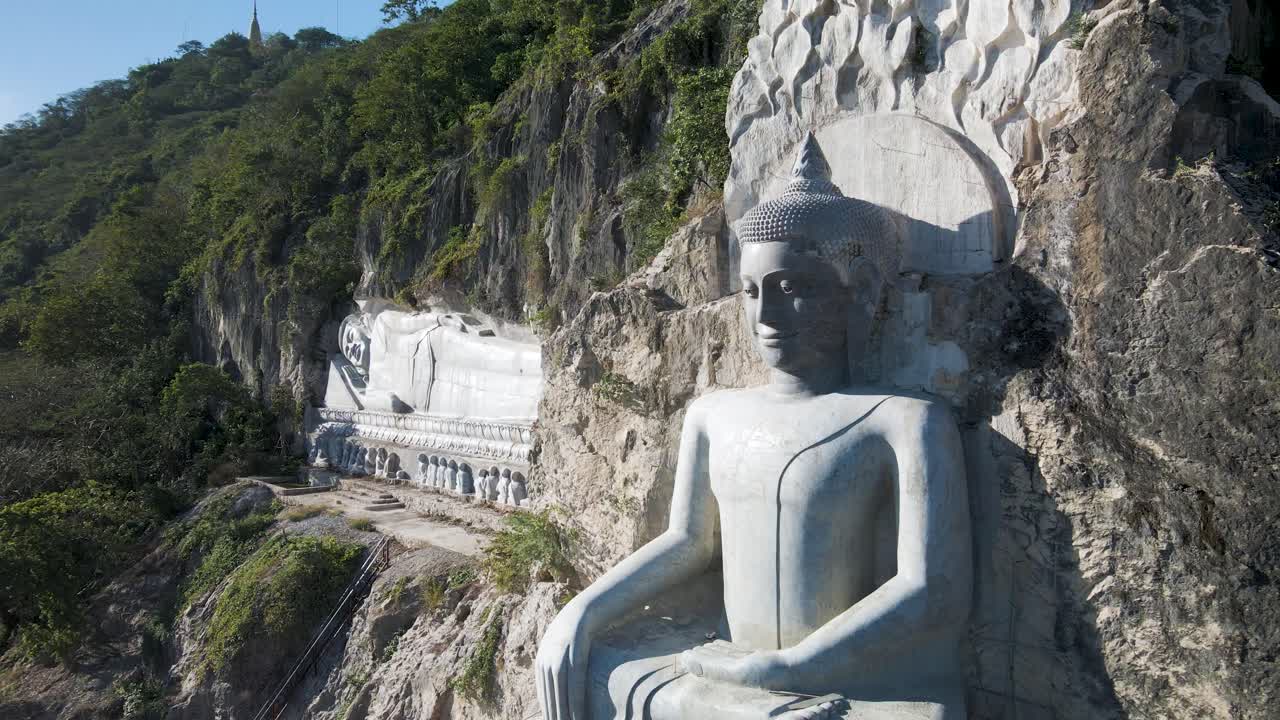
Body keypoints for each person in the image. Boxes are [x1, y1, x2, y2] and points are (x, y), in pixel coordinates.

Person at [535, 134, 972, 720]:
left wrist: (791, 667)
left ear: (860, 292)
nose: (765, 317)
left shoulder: (905, 421)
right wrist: (581, 612)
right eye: (750, 292)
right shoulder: (713, 413)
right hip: (731, 659)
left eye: (791, 289)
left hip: (838, 672)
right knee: (600, 668)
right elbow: (687, 542)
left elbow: (930, 589)